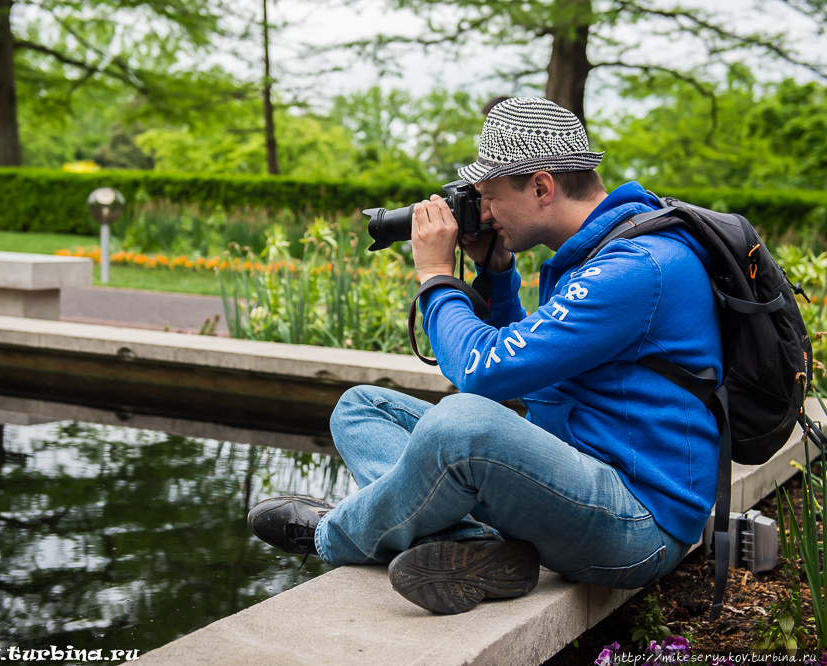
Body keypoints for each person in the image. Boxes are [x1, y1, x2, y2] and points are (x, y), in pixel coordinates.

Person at [247, 97, 721, 615]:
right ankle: (474, 543)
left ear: (541, 186)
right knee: (361, 408)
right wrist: (495, 272)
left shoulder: (637, 266)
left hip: (640, 522)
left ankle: (335, 534)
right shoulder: (603, 249)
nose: (485, 211)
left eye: (490, 196)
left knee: (461, 425)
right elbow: (536, 375)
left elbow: (482, 373)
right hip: (576, 476)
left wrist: (435, 278)